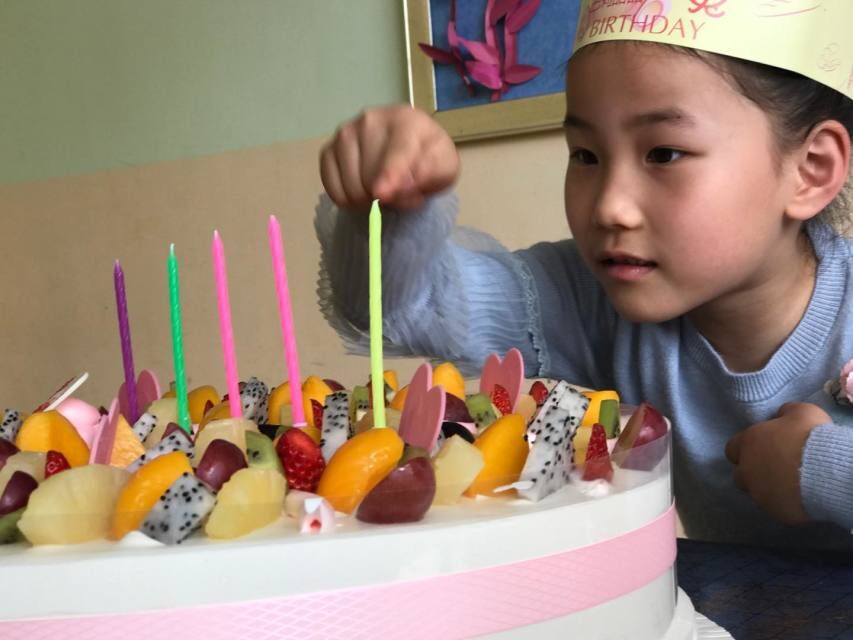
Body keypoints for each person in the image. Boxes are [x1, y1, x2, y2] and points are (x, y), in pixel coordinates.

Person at [314, 1, 853, 549]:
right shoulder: (594, 299)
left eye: (664, 154)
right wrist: (388, 208)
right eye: (586, 155)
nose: (609, 207)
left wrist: (823, 468)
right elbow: (404, 310)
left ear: (811, 170)